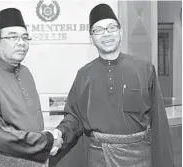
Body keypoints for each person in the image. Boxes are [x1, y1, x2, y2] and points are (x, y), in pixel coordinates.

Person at [52, 3, 174, 167]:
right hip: (99, 158)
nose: (106, 34)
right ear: (91, 38)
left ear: (121, 32)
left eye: (111, 28)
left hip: (140, 157)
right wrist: (61, 133)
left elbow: (159, 124)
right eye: (99, 30)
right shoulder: (84, 75)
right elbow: (74, 117)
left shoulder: (144, 69)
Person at [0, 8, 62, 167]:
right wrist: (46, 140)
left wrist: (46, 141)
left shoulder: (25, 72)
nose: (21, 43)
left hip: (34, 159)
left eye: (25, 37)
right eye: (13, 37)